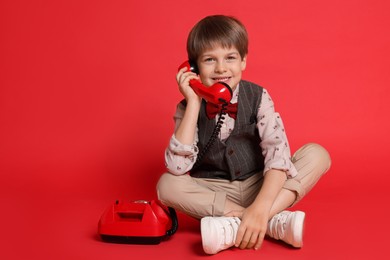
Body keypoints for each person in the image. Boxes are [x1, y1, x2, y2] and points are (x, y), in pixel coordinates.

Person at [156, 14, 331, 255]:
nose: (221, 68)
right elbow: (176, 167)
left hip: (258, 184)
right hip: (214, 191)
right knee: (166, 185)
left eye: (230, 58)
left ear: (243, 62)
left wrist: (260, 204)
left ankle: (244, 221)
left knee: (317, 154)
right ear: (194, 68)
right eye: (209, 60)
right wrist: (194, 103)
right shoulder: (187, 107)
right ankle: (268, 222)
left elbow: (277, 156)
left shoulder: (258, 96)